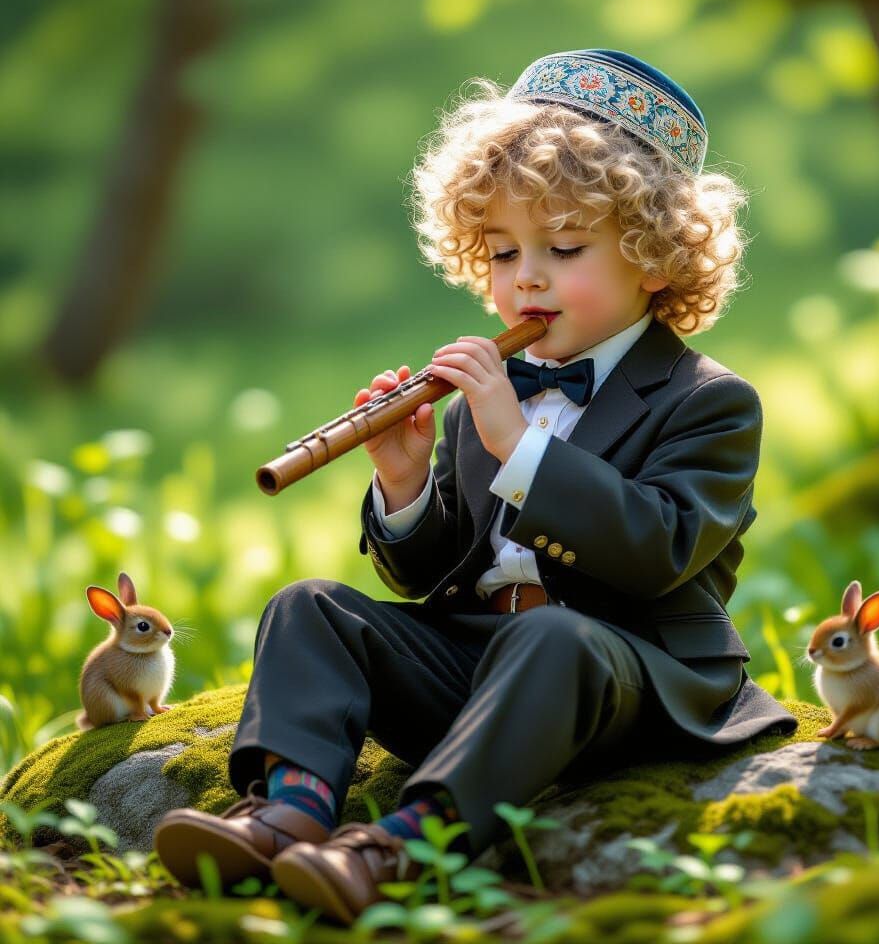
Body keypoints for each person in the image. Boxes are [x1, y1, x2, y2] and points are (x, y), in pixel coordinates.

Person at [154, 48, 797, 924]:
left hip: (627, 680)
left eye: (563, 247)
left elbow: (658, 550)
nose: (525, 275)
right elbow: (432, 576)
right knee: (309, 607)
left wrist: (521, 447)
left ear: (655, 260)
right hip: (483, 675)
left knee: (555, 638)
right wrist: (405, 481)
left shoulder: (709, 401)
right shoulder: (483, 404)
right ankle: (289, 813)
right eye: (501, 251)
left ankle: (404, 846)